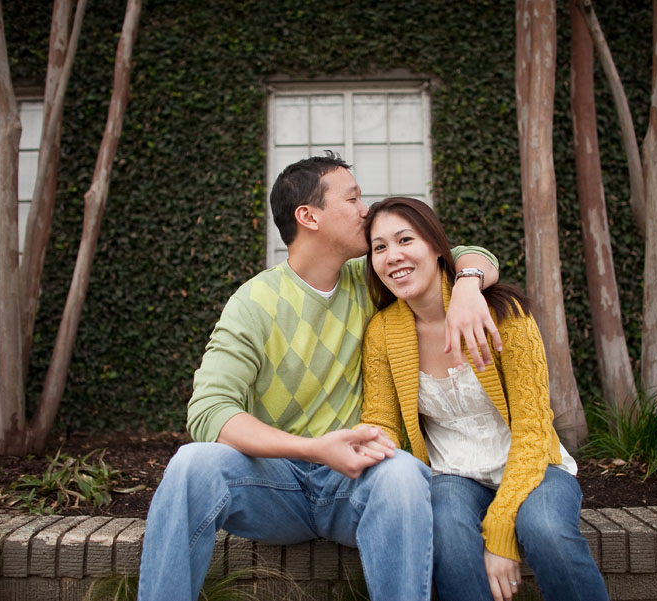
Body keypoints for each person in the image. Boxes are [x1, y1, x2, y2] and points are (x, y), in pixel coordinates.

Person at [137, 154, 502, 601]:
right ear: (309, 216)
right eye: (352, 199)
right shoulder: (253, 303)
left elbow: (463, 253)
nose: (366, 210)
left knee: (404, 474)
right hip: (276, 488)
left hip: (356, 485)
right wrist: (312, 449)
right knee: (190, 465)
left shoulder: (372, 280)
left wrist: (466, 283)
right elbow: (210, 413)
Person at [361, 197, 610, 601]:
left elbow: (533, 427)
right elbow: (382, 420)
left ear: (438, 248)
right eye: (380, 247)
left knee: (543, 527)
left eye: (405, 239)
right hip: (452, 476)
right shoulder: (382, 333)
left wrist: (499, 534)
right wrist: (365, 444)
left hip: (534, 465)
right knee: (446, 530)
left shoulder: (505, 314)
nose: (394, 256)